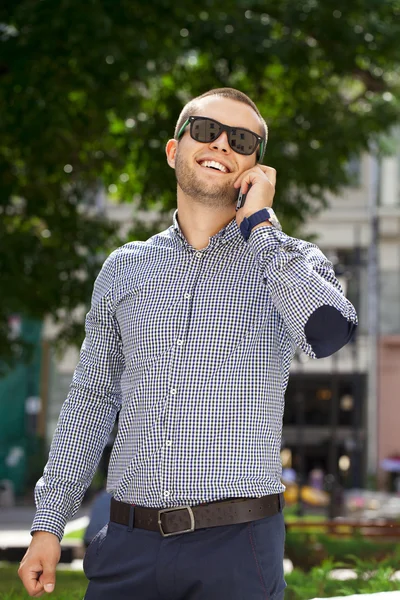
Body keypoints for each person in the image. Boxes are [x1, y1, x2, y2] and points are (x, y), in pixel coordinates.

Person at [18, 87, 357, 599]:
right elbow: (90, 402)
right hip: (127, 546)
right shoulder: (124, 268)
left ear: (255, 169)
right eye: (205, 130)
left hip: (238, 550)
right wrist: (49, 525)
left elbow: (330, 332)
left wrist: (260, 228)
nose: (221, 143)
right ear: (175, 150)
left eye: (240, 139)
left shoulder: (290, 261)